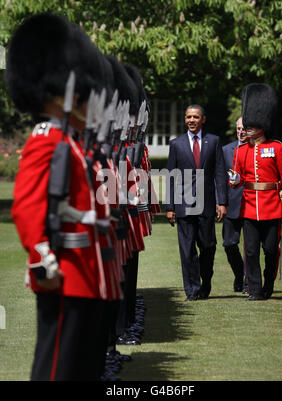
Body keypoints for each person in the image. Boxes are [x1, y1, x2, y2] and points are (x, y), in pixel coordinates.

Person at [5, 13, 123, 380]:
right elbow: (27, 206)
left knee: (83, 367)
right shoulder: (47, 140)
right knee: (57, 368)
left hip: (87, 274)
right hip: (64, 273)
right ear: (63, 94)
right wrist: (42, 257)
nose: (91, 104)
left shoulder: (71, 144)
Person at [229, 83, 282, 301]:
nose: (246, 128)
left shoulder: (276, 148)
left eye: (250, 125)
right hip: (249, 208)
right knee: (250, 252)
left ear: (262, 124)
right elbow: (238, 181)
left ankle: (268, 284)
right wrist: (235, 180)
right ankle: (255, 290)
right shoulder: (241, 151)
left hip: (272, 207)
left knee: (269, 250)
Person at [166, 105, 227, 301]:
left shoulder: (214, 141)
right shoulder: (176, 144)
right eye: (188, 117)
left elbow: (219, 173)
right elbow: (171, 177)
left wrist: (222, 202)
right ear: (185, 119)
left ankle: (205, 281)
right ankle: (192, 290)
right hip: (183, 205)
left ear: (203, 119)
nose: (191, 120)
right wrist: (170, 207)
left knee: (208, 246)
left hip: (207, 204)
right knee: (187, 249)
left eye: (195, 117)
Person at [222, 117, 248, 292]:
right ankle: (240, 274)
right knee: (229, 244)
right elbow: (220, 178)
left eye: (244, 129)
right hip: (231, 204)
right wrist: (220, 202)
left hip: (252, 204)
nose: (241, 132)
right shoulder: (225, 150)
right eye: (238, 128)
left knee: (251, 247)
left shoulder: (257, 148)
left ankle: (248, 283)